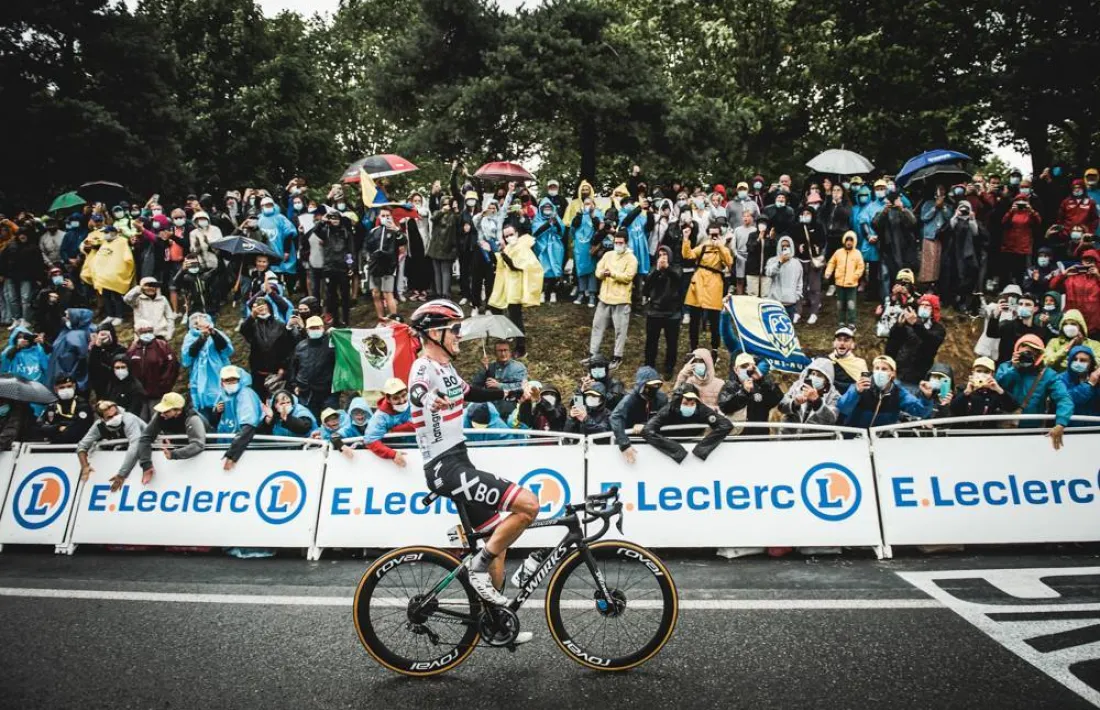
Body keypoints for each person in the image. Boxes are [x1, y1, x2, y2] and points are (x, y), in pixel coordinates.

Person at [406, 299, 539, 616]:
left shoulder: (447, 367)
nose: (459, 335)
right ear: (435, 333)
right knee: (529, 505)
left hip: (460, 461)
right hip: (444, 466)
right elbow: (416, 391)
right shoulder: (423, 366)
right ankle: (477, 567)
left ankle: (495, 618)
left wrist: (512, 393)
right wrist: (430, 399)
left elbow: (471, 393)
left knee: (498, 543)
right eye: (454, 329)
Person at [995, 335, 1073, 449]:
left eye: (1031, 353)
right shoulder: (1005, 367)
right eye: (1023, 353)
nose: (1026, 356)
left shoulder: (1048, 375)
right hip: (1004, 428)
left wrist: (1061, 423)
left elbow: (1064, 398)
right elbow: (998, 388)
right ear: (1016, 352)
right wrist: (1013, 369)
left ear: (1039, 355)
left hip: (1032, 432)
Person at [487, 224, 542, 358]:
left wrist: (507, 259)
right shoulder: (509, 247)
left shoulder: (523, 247)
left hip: (516, 287)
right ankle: (508, 332)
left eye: (511, 234)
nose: (509, 238)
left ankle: (521, 346)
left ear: (516, 233)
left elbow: (521, 266)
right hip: (506, 285)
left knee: (515, 316)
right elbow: (501, 264)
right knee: (495, 306)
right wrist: (494, 252)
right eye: (506, 236)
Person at [642, 383, 733, 464]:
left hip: (695, 440)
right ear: (678, 401)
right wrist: (676, 450)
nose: (689, 406)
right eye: (685, 403)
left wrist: (702, 448)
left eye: (692, 403)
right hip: (671, 442)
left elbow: (725, 425)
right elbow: (648, 430)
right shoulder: (668, 409)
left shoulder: (701, 409)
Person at [836, 355, 934, 428]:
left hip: (882, 439)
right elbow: (842, 408)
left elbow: (920, 411)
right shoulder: (860, 386)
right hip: (856, 436)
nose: (879, 372)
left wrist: (927, 397)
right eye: (877, 368)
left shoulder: (899, 392)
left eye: (884, 369)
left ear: (892, 373)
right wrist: (856, 392)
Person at [586, 232, 637, 369]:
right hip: (604, 298)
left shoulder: (631, 259)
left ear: (626, 243)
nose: (618, 245)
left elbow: (628, 277)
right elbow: (598, 271)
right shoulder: (608, 255)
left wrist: (612, 274)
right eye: (616, 242)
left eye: (620, 243)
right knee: (597, 326)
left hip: (621, 300)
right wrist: (603, 273)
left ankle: (617, 357)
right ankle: (593, 354)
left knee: (620, 330)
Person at [136, 392, 207, 485]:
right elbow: (145, 438)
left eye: (166, 411)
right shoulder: (160, 416)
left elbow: (198, 445)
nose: (162, 414)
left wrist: (174, 454)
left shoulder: (192, 418)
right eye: (161, 410)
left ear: (178, 410)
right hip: (182, 450)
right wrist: (146, 466)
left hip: (206, 453)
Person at [76, 400, 146, 492]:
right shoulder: (99, 426)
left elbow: (135, 447)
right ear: (102, 419)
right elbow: (82, 445)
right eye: (110, 417)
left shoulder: (129, 419)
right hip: (123, 454)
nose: (115, 417)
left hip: (149, 449)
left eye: (116, 414)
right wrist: (85, 466)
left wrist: (121, 475)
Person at [683, 223, 732, 351]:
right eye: (711, 234)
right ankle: (693, 347)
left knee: (714, 320)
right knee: (694, 320)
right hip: (698, 283)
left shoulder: (723, 249)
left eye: (716, 234)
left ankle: (715, 348)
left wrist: (721, 246)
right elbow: (688, 255)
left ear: (720, 234)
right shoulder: (703, 246)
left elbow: (729, 262)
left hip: (714, 285)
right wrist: (686, 239)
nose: (713, 237)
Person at [885, 294, 947, 392]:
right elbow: (893, 344)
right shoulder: (908, 324)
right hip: (900, 372)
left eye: (927, 305)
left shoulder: (938, 329)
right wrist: (898, 326)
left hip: (918, 376)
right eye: (922, 305)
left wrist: (915, 324)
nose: (923, 307)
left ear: (933, 309)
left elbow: (929, 340)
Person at [239, 298, 295, 401]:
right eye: (256, 306)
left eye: (263, 305)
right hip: (258, 373)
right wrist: (252, 316)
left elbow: (287, 348)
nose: (260, 307)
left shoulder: (280, 325)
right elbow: (243, 330)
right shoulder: (252, 326)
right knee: (260, 401)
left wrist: (283, 367)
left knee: (278, 401)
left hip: (277, 373)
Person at [936, 201, 987, 315]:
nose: (964, 211)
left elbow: (983, 237)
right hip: (953, 257)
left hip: (970, 257)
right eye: (961, 208)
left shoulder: (975, 222)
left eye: (966, 209)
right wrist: (954, 217)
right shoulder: (953, 221)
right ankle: (950, 301)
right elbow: (940, 234)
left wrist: (972, 220)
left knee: (969, 280)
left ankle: (965, 303)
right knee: (951, 279)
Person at [181, 312, 234, 418]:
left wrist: (212, 333)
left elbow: (226, 350)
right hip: (198, 378)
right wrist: (202, 338)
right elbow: (187, 357)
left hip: (218, 374)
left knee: (221, 408)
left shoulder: (217, 333)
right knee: (202, 410)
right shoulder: (190, 337)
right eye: (195, 321)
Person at [211, 366, 263, 471]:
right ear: (221, 382)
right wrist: (216, 411)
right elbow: (216, 422)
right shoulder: (223, 394)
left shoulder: (246, 394)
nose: (230, 383)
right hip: (224, 445)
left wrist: (231, 456)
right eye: (227, 380)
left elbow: (249, 427)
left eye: (233, 380)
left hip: (244, 450)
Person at [643, 246, 683, 379]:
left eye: (665, 254)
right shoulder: (654, 269)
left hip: (672, 313)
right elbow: (646, 289)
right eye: (660, 254)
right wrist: (657, 272)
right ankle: (649, 365)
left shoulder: (676, 268)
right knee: (651, 341)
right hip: (654, 311)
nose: (662, 257)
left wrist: (668, 269)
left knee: (672, 342)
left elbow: (679, 282)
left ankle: (669, 367)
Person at [309, 210, 355, 327]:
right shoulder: (325, 231)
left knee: (345, 295)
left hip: (343, 268)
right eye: (332, 218)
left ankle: (346, 320)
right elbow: (315, 231)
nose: (334, 221)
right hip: (329, 268)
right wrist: (322, 221)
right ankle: (335, 320)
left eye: (336, 218)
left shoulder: (346, 233)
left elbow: (350, 251)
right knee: (331, 296)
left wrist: (350, 265)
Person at [289, 315, 337, 419]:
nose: (315, 330)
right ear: (307, 330)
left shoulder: (332, 344)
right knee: (309, 420)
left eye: (317, 327)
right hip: (306, 393)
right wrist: (294, 385)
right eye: (312, 328)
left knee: (331, 421)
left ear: (323, 328)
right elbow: (294, 367)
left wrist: (337, 335)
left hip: (328, 392)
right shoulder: (300, 346)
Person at [949, 356, 1017, 426]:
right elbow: (953, 409)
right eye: (978, 371)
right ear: (973, 373)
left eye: (986, 372)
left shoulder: (995, 392)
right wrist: (966, 393)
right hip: (962, 434)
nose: (982, 374)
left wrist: (999, 390)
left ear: (992, 375)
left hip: (986, 434)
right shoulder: (962, 388)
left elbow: (1012, 407)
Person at [127, 322, 180, 410]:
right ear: (137, 333)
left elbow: (172, 367)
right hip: (139, 395)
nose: (146, 334)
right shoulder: (133, 348)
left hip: (158, 394)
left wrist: (163, 387)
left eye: (149, 331)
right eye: (143, 332)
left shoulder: (162, 346)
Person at [0, 226, 45, 329]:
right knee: (12, 299)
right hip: (10, 277)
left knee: (26, 299)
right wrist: (2, 274)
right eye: (20, 234)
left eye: (24, 234)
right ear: (17, 235)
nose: (22, 236)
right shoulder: (10, 246)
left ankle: (26, 320)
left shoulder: (33, 247)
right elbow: (2, 260)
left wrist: (39, 278)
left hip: (27, 278)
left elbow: (39, 264)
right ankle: (16, 319)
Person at [718, 353, 783, 423]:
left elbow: (777, 399)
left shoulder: (761, 386)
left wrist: (763, 379)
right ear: (736, 369)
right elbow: (725, 407)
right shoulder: (730, 386)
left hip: (759, 432)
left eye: (751, 367)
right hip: (738, 432)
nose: (747, 369)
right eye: (743, 366)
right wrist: (744, 392)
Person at [363, 378, 414, 464]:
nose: (402, 401)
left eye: (404, 395)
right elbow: (370, 440)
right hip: (399, 451)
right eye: (396, 398)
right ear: (387, 398)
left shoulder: (415, 401)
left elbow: (423, 422)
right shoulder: (380, 417)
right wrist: (392, 454)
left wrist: (394, 430)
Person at [988, 292, 1048, 365]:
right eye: (1020, 304)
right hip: (1006, 368)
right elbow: (991, 334)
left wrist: (1045, 325)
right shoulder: (1008, 325)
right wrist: (995, 316)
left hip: (1028, 369)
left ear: (1035, 309)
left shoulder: (1039, 331)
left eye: (1027, 305)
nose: (1023, 307)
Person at [472, 339, 527, 418]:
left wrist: (499, 385)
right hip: (491, 409)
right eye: (500, 351)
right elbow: (475, 386)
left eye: (505, 350)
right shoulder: (490, 367)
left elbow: (522, 387)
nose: (503, 353)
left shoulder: (518, 367)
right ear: (495, 353)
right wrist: (484, 369)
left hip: (511, 408)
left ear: (510, 352)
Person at [778, 358, 839, 429]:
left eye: (819, 375)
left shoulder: (833, 396)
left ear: (827, 379)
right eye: (813, 373)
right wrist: (794, 403)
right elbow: (781, 407)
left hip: (813, 438)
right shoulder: (797, 386)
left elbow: (830, 420)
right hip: (788, 437)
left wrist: (817, 402)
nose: (814, 377)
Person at [1049, 249, 1100, 334]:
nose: (1088, 263)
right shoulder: (1072, 276)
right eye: (1085, 260)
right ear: (1081, 261)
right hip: (1073, 321)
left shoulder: (1097, 278)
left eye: (1091, 261)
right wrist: (1064, 275)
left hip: (1094, 323)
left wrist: (1098, 276)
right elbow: (1052, 286)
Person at [46, 307, 94, 393]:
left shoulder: (77, 335)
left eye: (68, 317)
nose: (65, 319)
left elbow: (80, 357)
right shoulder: (67, 331)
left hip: (68, 374)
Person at [35, 375, 93, 444]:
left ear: (74, 387)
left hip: (77, 445)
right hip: (55, 446)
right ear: (56, 389)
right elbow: (40, 426)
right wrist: (57, 427)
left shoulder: (83, 405)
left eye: (69, 386)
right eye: (62, 387)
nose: (66, 390)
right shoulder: (52, 407)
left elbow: (80, 428)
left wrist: (55, 430)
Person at [257, 196, 299, 293]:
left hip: (281, 250)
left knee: (285, 272)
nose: (267, 207)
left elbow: (289, 233)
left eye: (269, 205)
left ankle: (288, 292)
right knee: (270, 272)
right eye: (265, 205)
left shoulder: (280, 218)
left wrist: (286, 251)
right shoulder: (259, 219)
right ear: (261, 206)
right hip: (266, 251)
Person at [824, 231, 864, 330]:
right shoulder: (838, 252)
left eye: (851, 240)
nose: (849, 242)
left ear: (854, 242)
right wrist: (828, 272)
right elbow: (832, 262)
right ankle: (841, 321)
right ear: (844, 241)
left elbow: (861, 267)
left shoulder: (857, 254)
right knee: (840, 304)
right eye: (847, 240)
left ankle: (851, 323)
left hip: (851, 284)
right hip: (839, 283)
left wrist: (855, 276)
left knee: (851, 304)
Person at [792, 205, 826, 323]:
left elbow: (823, 240)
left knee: (814, 287)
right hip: (800, 260)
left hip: (814, 260)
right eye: (803, 214)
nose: (805, 216)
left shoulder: (818, 226)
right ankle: (797, 312)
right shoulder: (796, 227)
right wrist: (797, 246)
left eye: (808, 214)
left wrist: (818, 247)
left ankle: (814, 312)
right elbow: (791, 239)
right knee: (799, 287)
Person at [1000, 198, 1042, 285]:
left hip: (1023, 245)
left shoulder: (1029, 213)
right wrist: (1011, 211)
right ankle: (1007, 286)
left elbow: (1038, 222)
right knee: (1008, 268)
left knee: (1021, 269)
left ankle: (1021, 286)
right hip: (1010, 244)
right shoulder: (1011, 212)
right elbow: (1003, 222)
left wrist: (1032, 210)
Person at [570, 197, 603, 306]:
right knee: (581, 269)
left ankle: (592, 295)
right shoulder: (579, 215)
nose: (587, 205)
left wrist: (592, 215)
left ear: (594, 205)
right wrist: (579, 215)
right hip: (580, 247)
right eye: (585, 204)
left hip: (591, 246)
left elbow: (599, 228)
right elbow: (573, 228)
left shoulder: (597, 215)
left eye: (589, 203)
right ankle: (581, 293)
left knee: (592, 270)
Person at [532, 197, 565, 303]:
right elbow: (536, 232)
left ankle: (552, 292)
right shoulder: (537, 219)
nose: (547, 208)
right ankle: (542, 292)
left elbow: (561, 232)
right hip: (542, 248)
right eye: (545, 207)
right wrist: (548, 223)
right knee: (543, 270)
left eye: (549, 206)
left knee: (554, 270)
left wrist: (555, 223)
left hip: (555, 247)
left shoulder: (557, 218)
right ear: (540, 208)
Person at [765, 235, 803, 318]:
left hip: (790, 304)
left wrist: (796, 296)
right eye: (783, 246)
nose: (785, 248)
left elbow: (799, 282)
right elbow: (768, 273)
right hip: (775, 303)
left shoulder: (796, 263)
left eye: (787, 246)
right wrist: (780, 262)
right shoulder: (772, 260)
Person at [428, 196, 459, 297]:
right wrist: (442, 211)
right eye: (444, 204)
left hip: (447, 247)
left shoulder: (454, 215)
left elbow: (457, 223)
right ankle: (438, 293)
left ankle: (445, 294)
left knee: (445, 271)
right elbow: (433, 218)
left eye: (448, 204)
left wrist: (455, 209)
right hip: (435, 247)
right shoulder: (437, 213)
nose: (446, 206)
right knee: (437, 272)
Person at [172, 252, 220, 319]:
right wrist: (182, 270)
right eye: (190, 264)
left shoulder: (205, 275)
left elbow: (216, 288)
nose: (193, 265)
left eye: (195, 263)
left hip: (210, 309)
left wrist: (216, 307)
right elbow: (175, 282)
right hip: (194, 312)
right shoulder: (186, 278)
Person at [105, 353, 149, 421]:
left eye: (123, 367)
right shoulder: (112, 383)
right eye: (117, 368)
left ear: (128, 368)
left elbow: (134, 411)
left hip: (129, 421)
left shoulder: (136, 387)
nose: (120, 370)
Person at [1061, 345, 1099, 423]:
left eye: (1083, 360)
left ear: (1091, 363)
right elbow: (1067, 400)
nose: (1078, 363)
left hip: (1094, 427)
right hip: (1070, 428)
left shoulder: (1096, 377)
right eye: (1074, 359)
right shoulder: (1061, 378)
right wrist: (1089, 384)